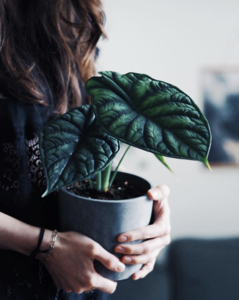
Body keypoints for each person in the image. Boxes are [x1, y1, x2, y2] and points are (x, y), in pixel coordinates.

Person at [0, 0, 171, 299]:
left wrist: (148, 220)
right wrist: (45, 247)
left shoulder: (70, 19)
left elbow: (87, 150)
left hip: (80, 288)